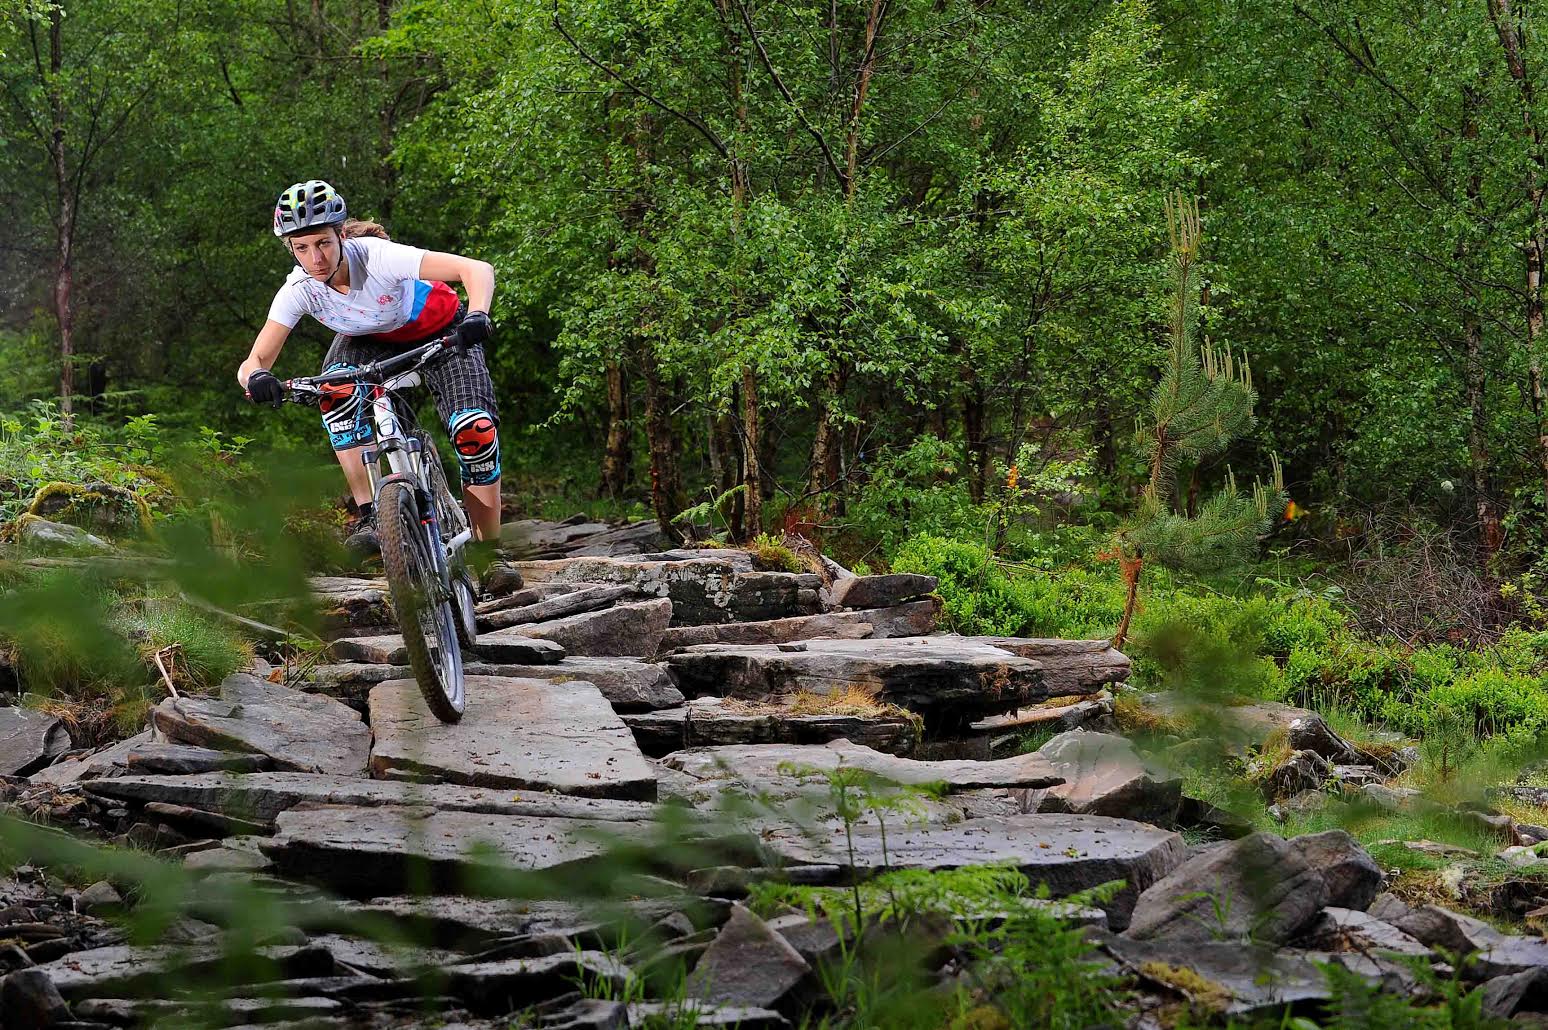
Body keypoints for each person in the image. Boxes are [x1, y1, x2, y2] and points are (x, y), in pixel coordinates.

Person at [237, 180, 502, 555]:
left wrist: (478, 314)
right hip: (368, 339)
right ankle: (371, 516)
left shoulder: (378, 256)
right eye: (302, 248)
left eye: (323, 243)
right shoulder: (299, 289)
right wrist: (258, 378)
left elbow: (476, 269)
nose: (316, 258)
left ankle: (489, 553)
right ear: (291, 249)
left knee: (474, 430)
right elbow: (254, 361)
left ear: (341, 235)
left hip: (442, 330)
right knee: (336, 394)